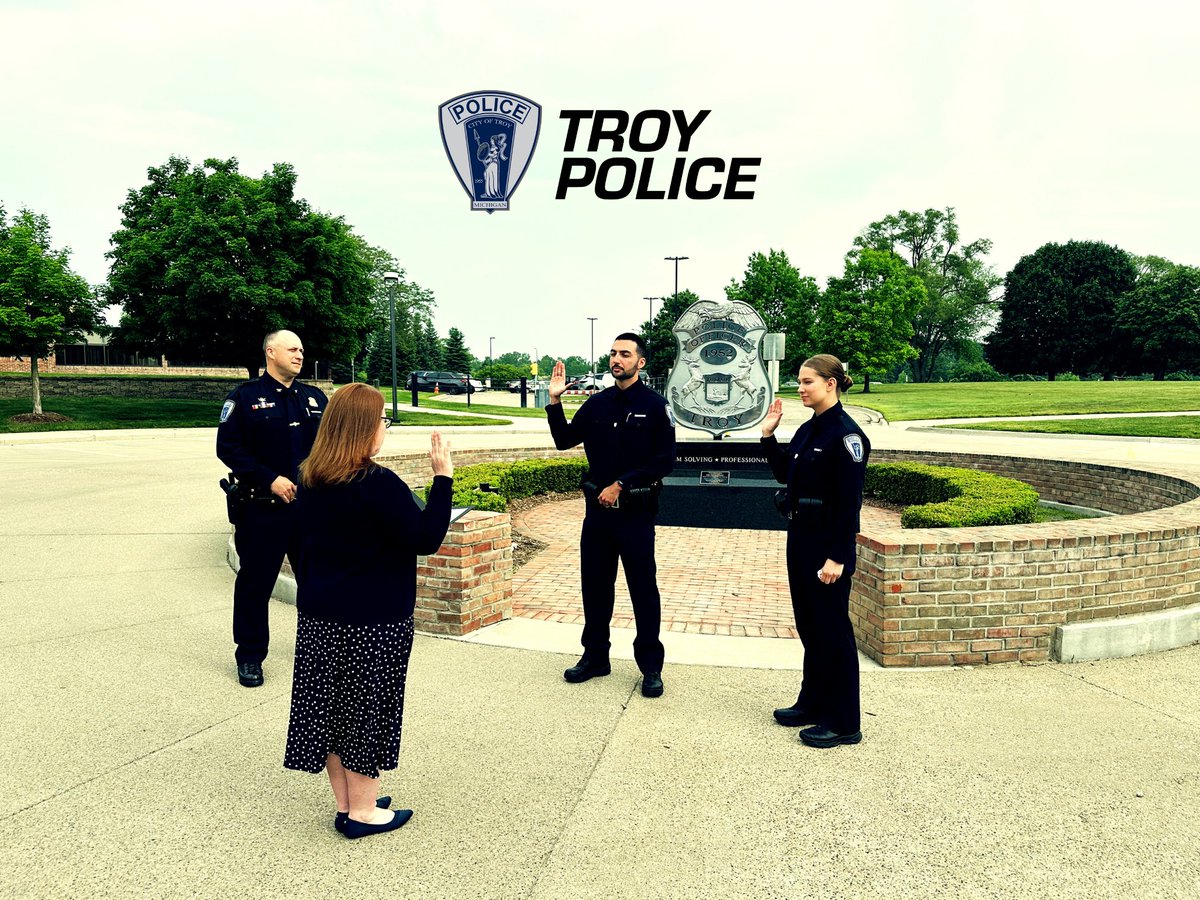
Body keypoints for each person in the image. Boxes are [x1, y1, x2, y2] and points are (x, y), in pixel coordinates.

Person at [282, 383, 454, 839]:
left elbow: (301, 545)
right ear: (362, 427)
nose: (385, 428)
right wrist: (443, 478)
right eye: (382, 421)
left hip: (321, 614)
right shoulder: (376, 483)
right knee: (366, 712)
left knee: (333, 710)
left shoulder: (311, 477)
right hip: (372, 620)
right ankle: (362, 814)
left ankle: (348, 803)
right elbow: (425, 538)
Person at [545, 332, 676, 697]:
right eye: (614, 353)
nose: (617, 359)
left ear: (640, 362)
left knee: (643, 590)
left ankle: (650, 666)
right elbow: (564, 439)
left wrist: (621, 483)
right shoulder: (597, 403)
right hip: (598, 517)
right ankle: (595, 657)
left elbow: (665, 460)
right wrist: (554, 401)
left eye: (625, 354)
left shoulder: (655, 406)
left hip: (636, 515)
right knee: (595, 587)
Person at [760, 354, 870, 748]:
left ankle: (844, 722)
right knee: (810, 627)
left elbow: (849, 504)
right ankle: (812, 702)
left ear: (831, 383)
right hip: (802, 538)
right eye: (800, 381)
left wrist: (838, 556)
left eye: (808, 381)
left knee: (833, 632)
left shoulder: (846, 436)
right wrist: (768, 436)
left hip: (828, 546)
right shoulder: (809, 430)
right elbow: (784, 474)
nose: (801, 387)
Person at [216, 330, 327, 688]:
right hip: (262, 510)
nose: (300, 354)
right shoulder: (245, 398)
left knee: (316, 582)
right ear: (270, 352)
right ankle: (250, 656)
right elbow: (228, 448)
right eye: (292, 349)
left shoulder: (314, 398)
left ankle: (318, 648)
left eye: (302, 349)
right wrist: (270, 479)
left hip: (308, 511)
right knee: (255, 584)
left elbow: (329, 447)